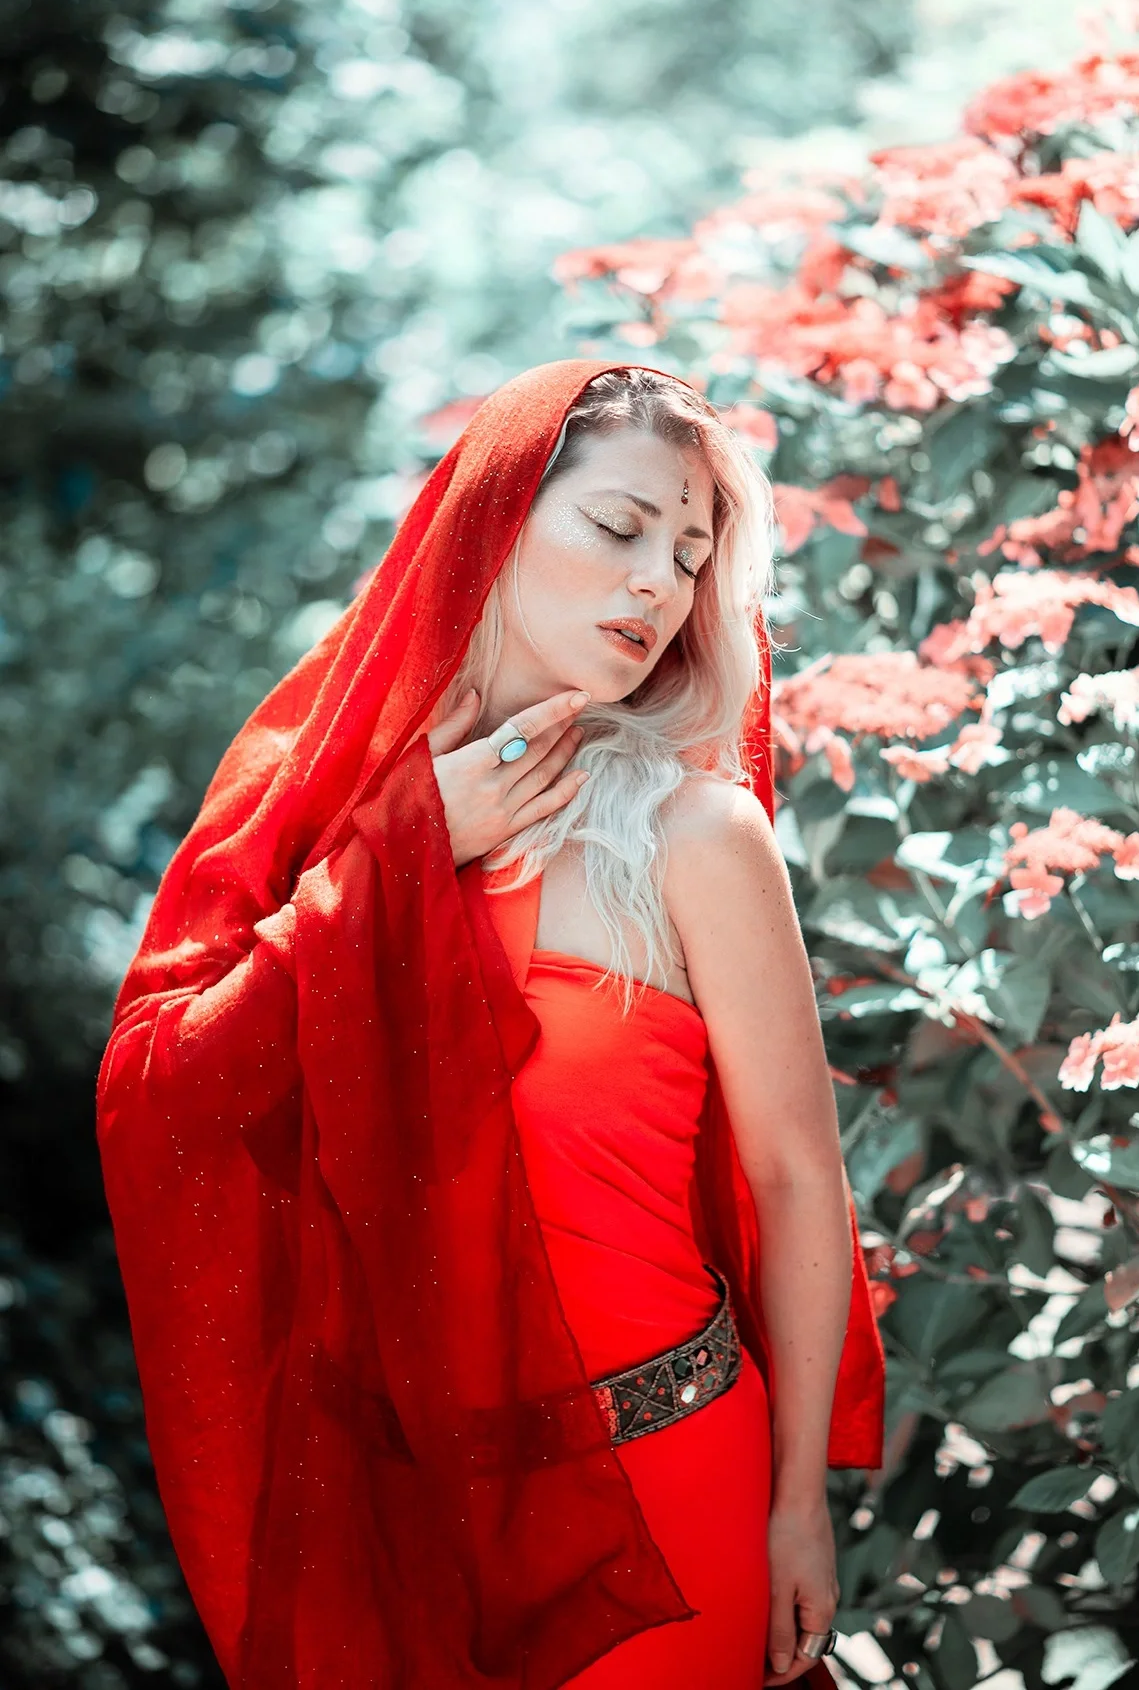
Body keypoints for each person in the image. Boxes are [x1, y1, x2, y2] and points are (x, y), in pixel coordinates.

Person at [97, 359, 885, 1690]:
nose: (658, 584)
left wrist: (799, 1499)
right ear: (496, 520)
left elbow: (798, 1176)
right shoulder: (327, 810)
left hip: (665, 1489)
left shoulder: (698, 834)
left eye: (690, 557)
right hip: (395, 1524)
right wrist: (406, 848)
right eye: (620, 526)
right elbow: (165, 1094)